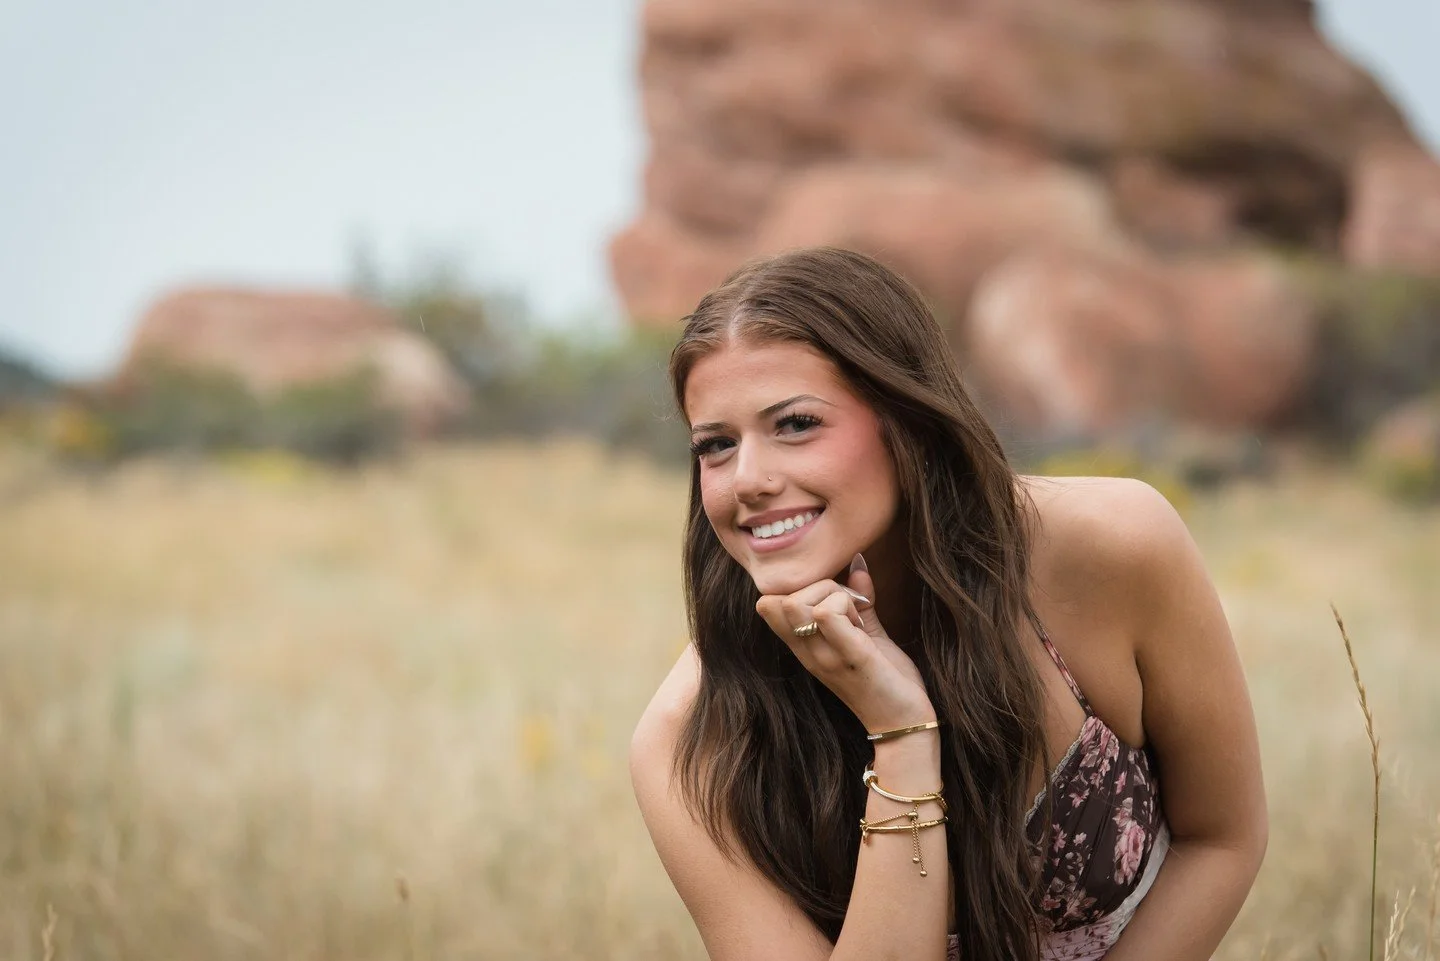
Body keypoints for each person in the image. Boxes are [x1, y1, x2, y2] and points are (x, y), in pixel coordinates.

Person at [629, 246, 1267, 961]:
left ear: (907, 420)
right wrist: (900, 731)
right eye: (716, 445)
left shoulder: (1111, 546)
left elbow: (1222, 837)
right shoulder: (692, 733)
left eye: (797, 424)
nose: (747, 478)